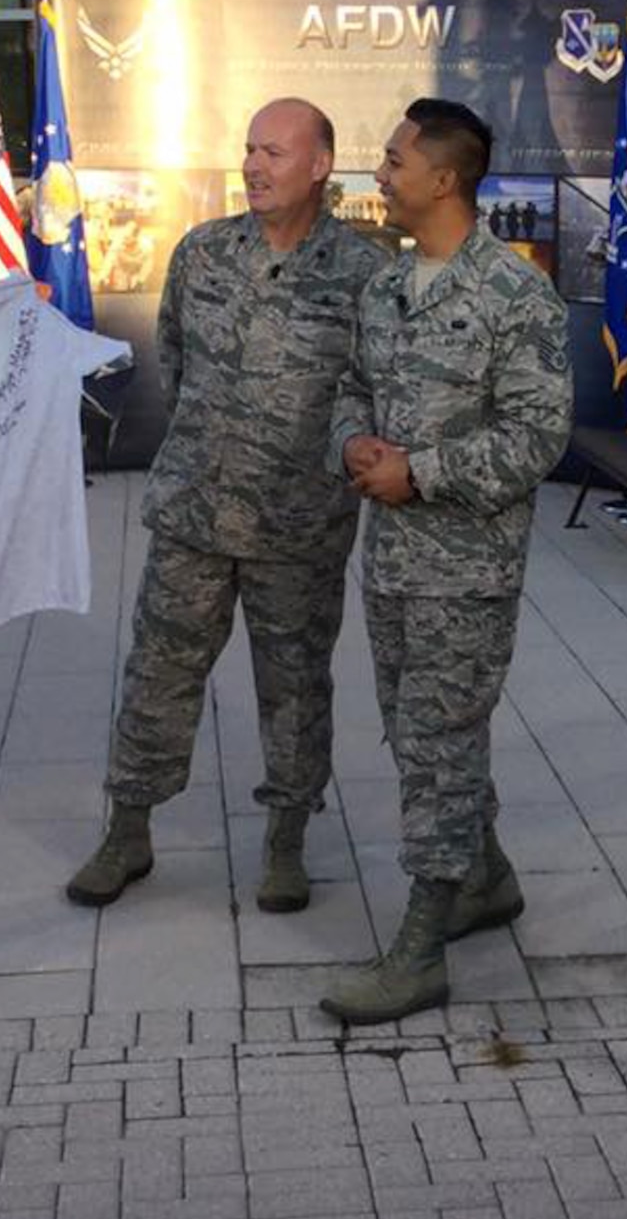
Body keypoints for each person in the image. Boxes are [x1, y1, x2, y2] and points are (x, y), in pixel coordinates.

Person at [66, 99, 387, 913]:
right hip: (195, 519)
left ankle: (287, 839)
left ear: (320, 166)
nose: (252, 165)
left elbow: (373, 390)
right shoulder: (203, 252)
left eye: (274, 152)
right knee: (157, 674)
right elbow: (174, 362)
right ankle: (128, 829)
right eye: (248, 149)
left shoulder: (363, 274)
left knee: (295, 687)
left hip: (300, 528)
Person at [322, 99, 572, 1025]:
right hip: (389, 564)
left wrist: (417, 473)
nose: (378, 176)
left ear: (444, 178)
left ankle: (421, 949)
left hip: (466, 572)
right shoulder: (387, 287)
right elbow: (354, 386)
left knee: (437, 747)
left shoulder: (515, 296)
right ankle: (488, 879)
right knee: (423, 733)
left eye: (392, 161)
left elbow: (538, 435)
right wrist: (353, 441)